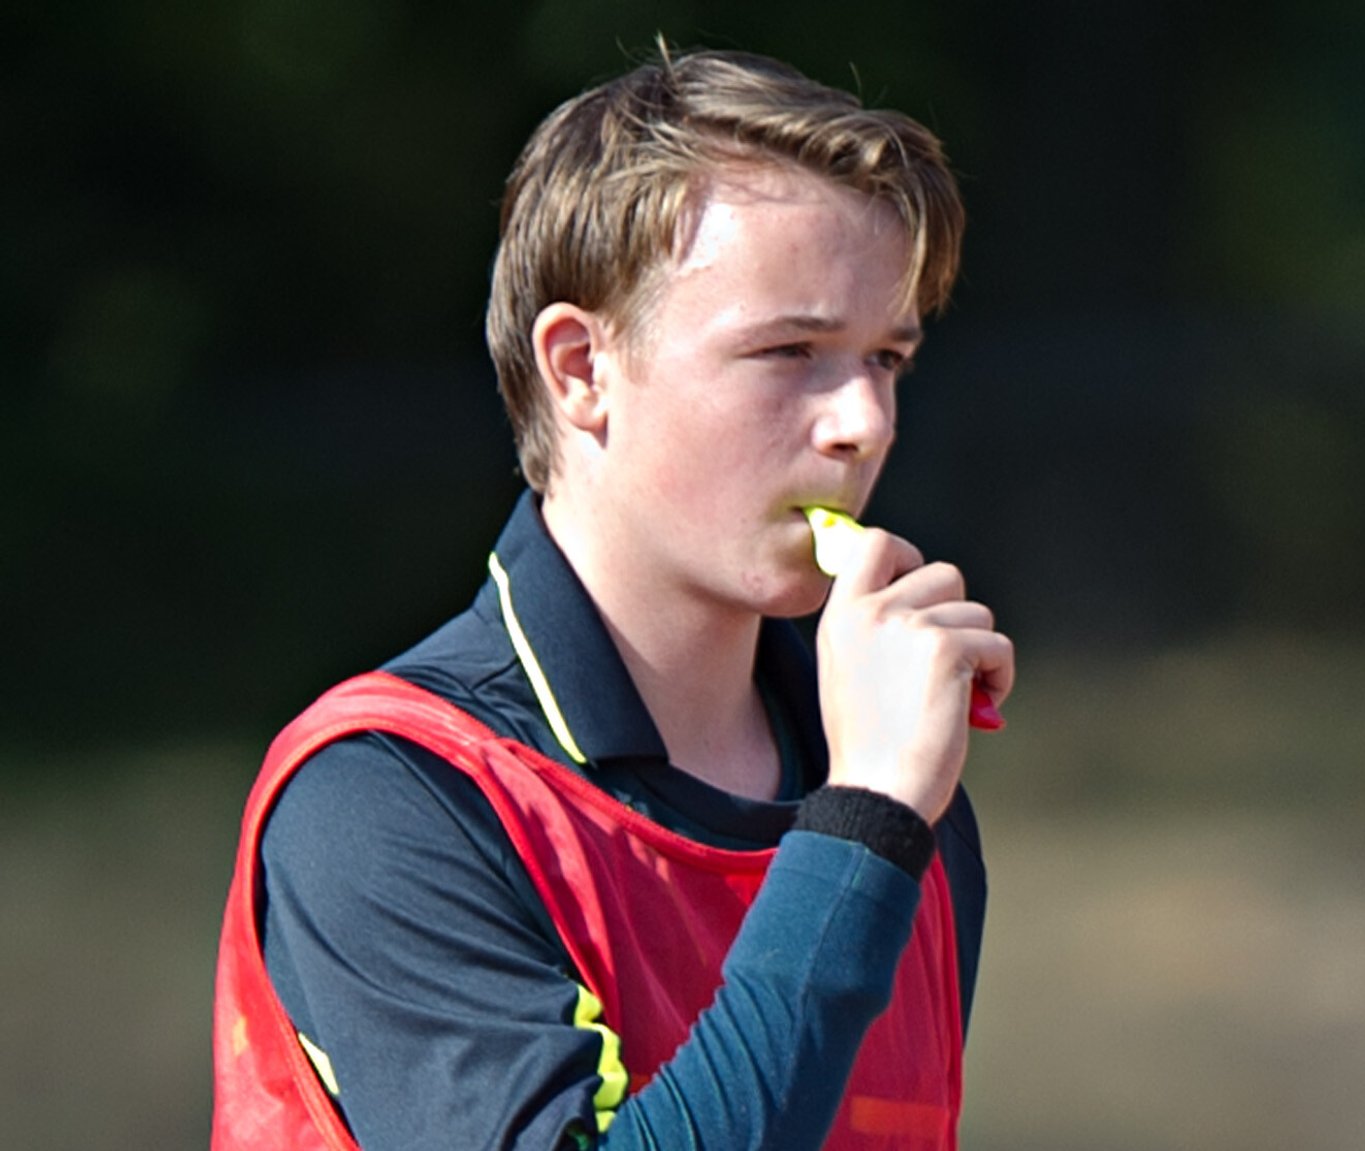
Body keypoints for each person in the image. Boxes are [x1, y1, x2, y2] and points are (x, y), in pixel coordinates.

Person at [211, 44, 1014, 1151]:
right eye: (790, 350)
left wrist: (877, 805)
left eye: (886, 357)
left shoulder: (890, 783)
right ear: (581, 367)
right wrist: (867, 820)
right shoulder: (384, 797)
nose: (863, 423)